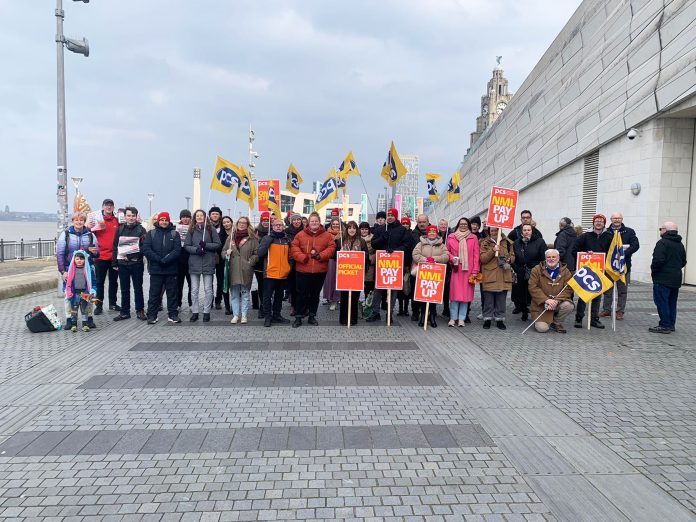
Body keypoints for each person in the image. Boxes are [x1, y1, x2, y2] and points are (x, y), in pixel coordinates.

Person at [366, 208, 412, 323]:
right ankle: (376, 312)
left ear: (396, 216)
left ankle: (389, 314)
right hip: (381, 264)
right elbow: (373, 244)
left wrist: (396, 251)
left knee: (393, 290)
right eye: (389, 215)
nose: (390, 217)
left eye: (392, 215)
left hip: (395, 265)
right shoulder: (381, 229)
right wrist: (382, 238)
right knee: (378, 289)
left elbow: (406, 245)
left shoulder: (402, 230)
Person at [291, 211, 336, 327]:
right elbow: (294, 248)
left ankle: (312, 315)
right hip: (303, 270)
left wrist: (320, 255)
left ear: (319, 222)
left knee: (315, 294)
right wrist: (303, 257)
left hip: (319, 270)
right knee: (301, 294)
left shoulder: (327, 235)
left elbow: (331, 248)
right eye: (312, 221)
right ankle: (299, 316)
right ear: (308, 223)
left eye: (316, 221)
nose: (314, 223)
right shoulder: (300, 235)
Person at [572, 214, 612, 329]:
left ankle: (594, 319)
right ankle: (579, 318)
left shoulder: (609, 237)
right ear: (593, 223)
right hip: (586, 271)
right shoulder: (585, 236)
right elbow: (574, 250)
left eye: (601, 221)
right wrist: (585, 254)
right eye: (597, 221)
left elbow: (611, 254)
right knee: (583, 296)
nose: (599, 223)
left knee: (597, 296)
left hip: (600, 271)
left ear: (604, 224)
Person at [142, 211, 182, 324]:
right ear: (158, 221)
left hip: (171, 269)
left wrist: (166, 259)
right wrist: (158, 259)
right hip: (156, 269)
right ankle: (152, 316)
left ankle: (173, 315)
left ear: (169, 221)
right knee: (154, 294)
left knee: (172, 293)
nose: (164, 222)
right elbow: (146, 249)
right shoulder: (151, 233)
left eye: (166, 220)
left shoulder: (175, 234)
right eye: (162, 220)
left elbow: (177, 250)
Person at [600, 212, 639, 320]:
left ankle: (620, 311)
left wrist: (623, 254)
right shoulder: (605, 232)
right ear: (611, 220)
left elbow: (636, 245)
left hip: (624, 266)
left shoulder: (629, 232)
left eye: (618, 218)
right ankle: (606, 310)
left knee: (622, 290)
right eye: (614, 218)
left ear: (622, 219)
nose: (616, 220)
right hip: (608, 267)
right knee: (607, 289)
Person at [184, 209, 221, 322]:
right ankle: (195, 311)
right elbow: (186, 246)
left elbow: (218, 244)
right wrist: (196, 249)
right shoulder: (191, 230)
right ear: (194, 218)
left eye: (201, 215)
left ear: (205, 217)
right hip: (194, 263)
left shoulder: (211, 229)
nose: (199, 217)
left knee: (208, 289)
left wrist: (207, 245)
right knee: (194, 290)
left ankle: (206, 311)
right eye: (197, 216)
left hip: (208, 262)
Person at [649, 222, 687, 334]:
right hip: (676, 277)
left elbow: (658, 260)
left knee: (661, 301)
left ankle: (664, 324)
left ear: (665, 230)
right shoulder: (680, 244)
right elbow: (683, 261)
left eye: (661, 228)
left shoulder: (662, 243)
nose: (660, 230)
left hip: (662, 278)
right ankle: (671, 324)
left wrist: (654, 271)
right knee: (671, 302)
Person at [57, 212, 99, 309]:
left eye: (81, 220)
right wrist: (63, 271)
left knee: (88, 293)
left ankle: (88, 318)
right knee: (69, 295)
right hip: (69, 269)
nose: (79, 222)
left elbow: (97, 254)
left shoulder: (91, 235)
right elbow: (60, 254)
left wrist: (94, 252)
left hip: (87, 269)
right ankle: (71, 320)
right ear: (72, 221)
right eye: (76, 220)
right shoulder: (65, 235)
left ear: (84, 222)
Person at [111, 207, 146, 322]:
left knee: (138, 288)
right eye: (129, 215)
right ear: (125, 216)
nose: (131, 218)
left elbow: (144, 247)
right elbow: (115, 246)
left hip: (136, 263)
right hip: (122, 264)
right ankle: (125, 312)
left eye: (133, 216)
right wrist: (114, 262)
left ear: (136, 216)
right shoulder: (120, 229)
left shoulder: (141, 230)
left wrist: (131, 254)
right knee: (124, 289)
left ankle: (140, 310)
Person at [411, 224, 450, 328]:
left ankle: (432, 316)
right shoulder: (421, 244)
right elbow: (415, 254)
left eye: (434, 232)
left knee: (433, 296)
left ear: (436, 233)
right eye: (430, 232)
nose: (432, 234)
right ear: (427, 233)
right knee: (423, 296)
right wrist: (426, 260)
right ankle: (423, 316)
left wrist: (435, 259)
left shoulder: (442, 244)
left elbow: (446, 256)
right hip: (424, 273)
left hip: (435, 274)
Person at [528, 249, 574, 333]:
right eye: (548, 257)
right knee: (542, 329)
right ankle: (544, 320)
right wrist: (546, 300)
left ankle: (556, 322)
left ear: (558, 258)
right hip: (541, 306)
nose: (551, 259)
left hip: (557, 302)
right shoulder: (536, 269)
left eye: (554, 257)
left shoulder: (565, 271)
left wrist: (556, 300)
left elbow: (568, 288)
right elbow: (532, 287)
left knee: (569, 305)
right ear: (545, 258)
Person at [223, 216, 258, 324]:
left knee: (245, 293)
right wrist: (226, 254)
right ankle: (236, 315)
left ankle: (244, 315)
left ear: (248, 225)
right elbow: (223, 251)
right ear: (237, 224)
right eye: (240, 222)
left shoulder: (252, 238)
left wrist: (250, 262)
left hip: (245, 269)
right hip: (233, 269)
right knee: (234, 294)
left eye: (244, 223)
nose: (242, 224)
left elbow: (256, 254)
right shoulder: (231, 237)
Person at [257, 217, 292, 327]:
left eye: (280, 225)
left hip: (282, 273)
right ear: (272, 226)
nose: (278, 226)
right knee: (267, 296)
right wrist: (268, 241)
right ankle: (268, 317)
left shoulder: (286, 240)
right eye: (276, 225)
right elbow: (260, 253)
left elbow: (290, 256)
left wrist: (289, 267)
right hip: (270, 273)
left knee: (279, 296)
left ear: (283, 227)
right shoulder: (267, 238)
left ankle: (277, 315)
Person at [479, 226, 515, 330]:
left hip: (503, 273)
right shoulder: (484, 242)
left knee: (501, 299)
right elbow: (482, 259)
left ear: (500, 230)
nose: (494, 232)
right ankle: (487, 319)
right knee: (488, 300)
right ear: (489, 231)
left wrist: (510, 259)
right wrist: (493, 250)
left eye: (496, 230)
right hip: (490, 274)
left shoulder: (508, 242)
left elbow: (513, 256)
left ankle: (500, 319)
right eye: (492, 230)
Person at [446, 217, 480, 327]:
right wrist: (452, 258)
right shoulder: (451, 237)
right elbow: (447, 252)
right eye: (461, 224)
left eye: (465, 224)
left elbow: (476, 256)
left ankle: (461, 319)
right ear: (458, 225)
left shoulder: (473, 238)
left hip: (468, 271)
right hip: (456, 270)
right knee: (455, 296)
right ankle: (452, 318)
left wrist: (475, 271)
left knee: (465, 298)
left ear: (468, 225)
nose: (463, 225)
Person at [512, 223, 547, 321]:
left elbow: (543, 258)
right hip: (521, 272)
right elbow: (513, 257)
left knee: (534, 293)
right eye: (524, 230)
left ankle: (535, 313)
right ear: (521, 232)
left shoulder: (540, 242)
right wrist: (516, 268)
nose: (526, 232)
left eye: (529, 230)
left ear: (532, 231)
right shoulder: (517, 243)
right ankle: (524, 311)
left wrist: (539, 269)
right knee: (521, 294)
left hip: (535, 272)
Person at [338, 221, 370, 325]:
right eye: (349, 228)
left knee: (354, 297)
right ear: (346, 229)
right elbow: (335, 256)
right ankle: (343, 319)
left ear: (357, 230)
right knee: (344, 297)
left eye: (354, 228)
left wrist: (359, 257)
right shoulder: (341, 241)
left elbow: (366, 256)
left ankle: (353, 319)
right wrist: (341, 253)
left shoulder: (361, 241)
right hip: (344, 273)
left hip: (356, 274)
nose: (352, 230)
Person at [92, 198, 119, 315]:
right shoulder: (98, 220)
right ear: (102, 207)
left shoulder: (117, 221)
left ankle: (112, 304)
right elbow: (89, 232)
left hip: (114, 257)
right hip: (100, 257)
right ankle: (99, 305)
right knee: (99, 282)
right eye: (106, 205)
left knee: (114, 282)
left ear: (113, 208)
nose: (109, 207)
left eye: (111, 205)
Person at [63, 250, 97, 332]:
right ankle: (73, 324)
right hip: (74, 294)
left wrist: (93, 290)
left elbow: (93, 281)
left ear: (85, 259)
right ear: (74, 260)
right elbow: (66, 282)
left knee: (84, 309)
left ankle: (85, 324)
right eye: (77, 259)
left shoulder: (89, 270)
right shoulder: (70, 270)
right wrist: (67, 291)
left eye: (82, 259)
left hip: (85, 293)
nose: (79, 261)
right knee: (74, 309)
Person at [208, 206, 228, 312]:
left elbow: (226, 240)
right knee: (209, 280)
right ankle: (209, 300)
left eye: (217, 214)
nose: (215, 215)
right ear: (210, 215)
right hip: (209, 257)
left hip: (221, 257)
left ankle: (218, 300)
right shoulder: (206, 226)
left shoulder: (223, 226)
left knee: (220, 280)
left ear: (219, 215)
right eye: (213, 214)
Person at [284, 213, 304, 310]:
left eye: (298, 220)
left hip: (303, 261)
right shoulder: (286, 232)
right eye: (294, 220)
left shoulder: (306, 231)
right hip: (291, 261)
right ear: (291, 221)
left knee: (303, 286)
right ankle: (294, 306)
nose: (296, 222)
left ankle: (304, 307)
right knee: (293, 286)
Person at [322, 217, 343, 310]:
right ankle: (329, 298)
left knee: (338, 280)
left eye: (337, 224)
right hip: (330, 259)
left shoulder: (344, 235)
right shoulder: (326, 234)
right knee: (330, 280)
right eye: (333, 224)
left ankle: (336, 299)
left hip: (340, 260)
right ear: (331, 225)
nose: (335, 225)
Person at [253, 211, 270, 318]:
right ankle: (262, 307)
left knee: (269, 286)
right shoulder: (255, 232)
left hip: (271, 263)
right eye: (264, 220)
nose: (266, 222)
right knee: (261, 285)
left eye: (268, 220)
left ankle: (268, 306)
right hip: (259, 263)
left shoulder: (272, 231)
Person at [397, 216, 414, 317]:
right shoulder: (399, 235)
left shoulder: (411, 235)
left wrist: (408, 265)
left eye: (406, 224)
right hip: (399, 265)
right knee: (400, 289)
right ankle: (400, 309)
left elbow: (411, 252)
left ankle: (406, 309)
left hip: (408, 265)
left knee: (407, 288)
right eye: (403, 224)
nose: (405, 225)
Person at [176, 209, 192, 310]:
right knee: (178, 284)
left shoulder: (193, 228)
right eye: (183, 217)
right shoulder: (176, 228)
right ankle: (178, 303)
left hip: (191, 260)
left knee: (192, 284)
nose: (185, 219)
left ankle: (191, 304)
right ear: (180, 218)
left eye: (187, 217)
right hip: (179, 260)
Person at [219, 216, 234, 314]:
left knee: (234, 284)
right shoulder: (220, 234)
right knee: (224, 283)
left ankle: (234, 305)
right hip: (223, 262)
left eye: (228, 222)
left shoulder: (235, 233)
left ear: (231, 222)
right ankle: (227, 306)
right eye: (224, 222)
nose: (226, 224)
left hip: (234, 261)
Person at [438, 218, 452, 317]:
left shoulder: (451, 235)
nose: (443, 226)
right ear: (438, 226)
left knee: (447, 289)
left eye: (445, 224)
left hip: (448, 266)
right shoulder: (436, 235)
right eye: (441, 224)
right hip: (438, 264)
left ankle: (446, 308)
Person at [359, 221, 376, 301]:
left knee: (368, 286)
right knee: (357, 285)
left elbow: (376, 252)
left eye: (366, 229)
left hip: (370, 266)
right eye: (362, 229)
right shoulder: (357, 239)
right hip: (358, 266)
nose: (364, 231)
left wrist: (370, 258)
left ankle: (367, 302)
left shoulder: (373, 238)